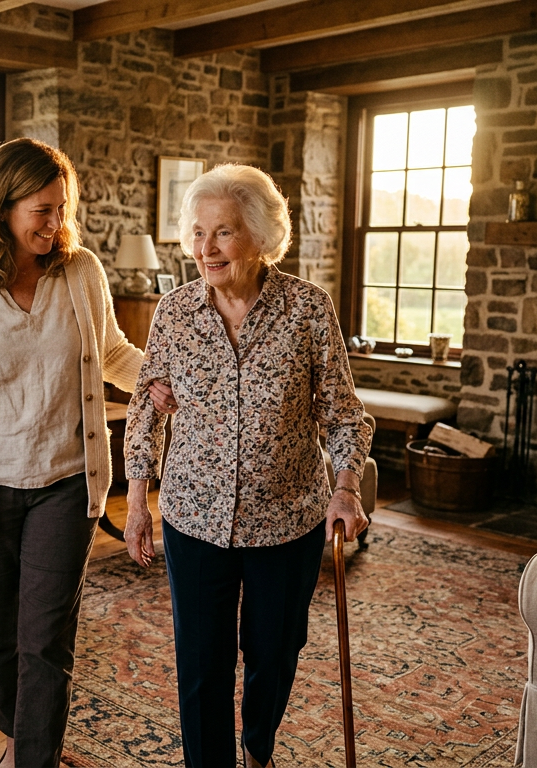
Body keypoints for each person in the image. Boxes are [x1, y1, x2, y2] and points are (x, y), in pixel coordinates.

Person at [0, 137, 171, 768]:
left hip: (67, 483)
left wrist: (164, 382)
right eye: (41, 210)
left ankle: (35, 759)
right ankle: (19, 732)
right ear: (2, 207)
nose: (55, 224)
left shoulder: (80, 274)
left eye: (61, 209)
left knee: (45, 642)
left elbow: (112, 353)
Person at [122, 163, 372, 768]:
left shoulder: (307, 310)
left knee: (275, 651)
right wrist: (134, 503)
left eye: (225, 232)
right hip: (194, 515)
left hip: (287, 519)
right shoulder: (175, 313)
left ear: (260, 237)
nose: (206, 248)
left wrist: (346, 488)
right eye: (199, 232)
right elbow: (145, 410)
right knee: (202, 661)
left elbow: (342, 414)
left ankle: (258, 750)